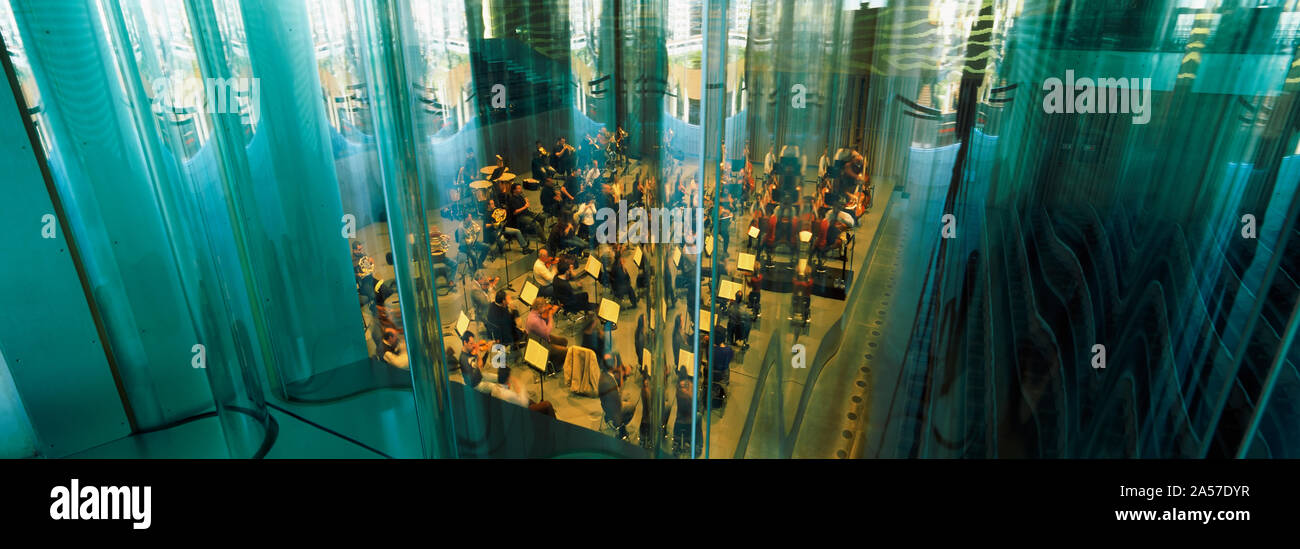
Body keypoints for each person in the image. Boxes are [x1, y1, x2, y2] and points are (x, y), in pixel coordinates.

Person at [525, 297, 568, 367]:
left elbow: (544, 323)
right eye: (544, 307)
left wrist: (548, 313)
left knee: (564, 341)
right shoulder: (535, 320)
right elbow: (547, 331)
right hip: (539, 344)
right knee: (565, 351)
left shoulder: (533, 312)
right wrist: (550, 316)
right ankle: (554, 367)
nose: (545, 308)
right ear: (539, 307)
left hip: (539, 337)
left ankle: (553, 358)